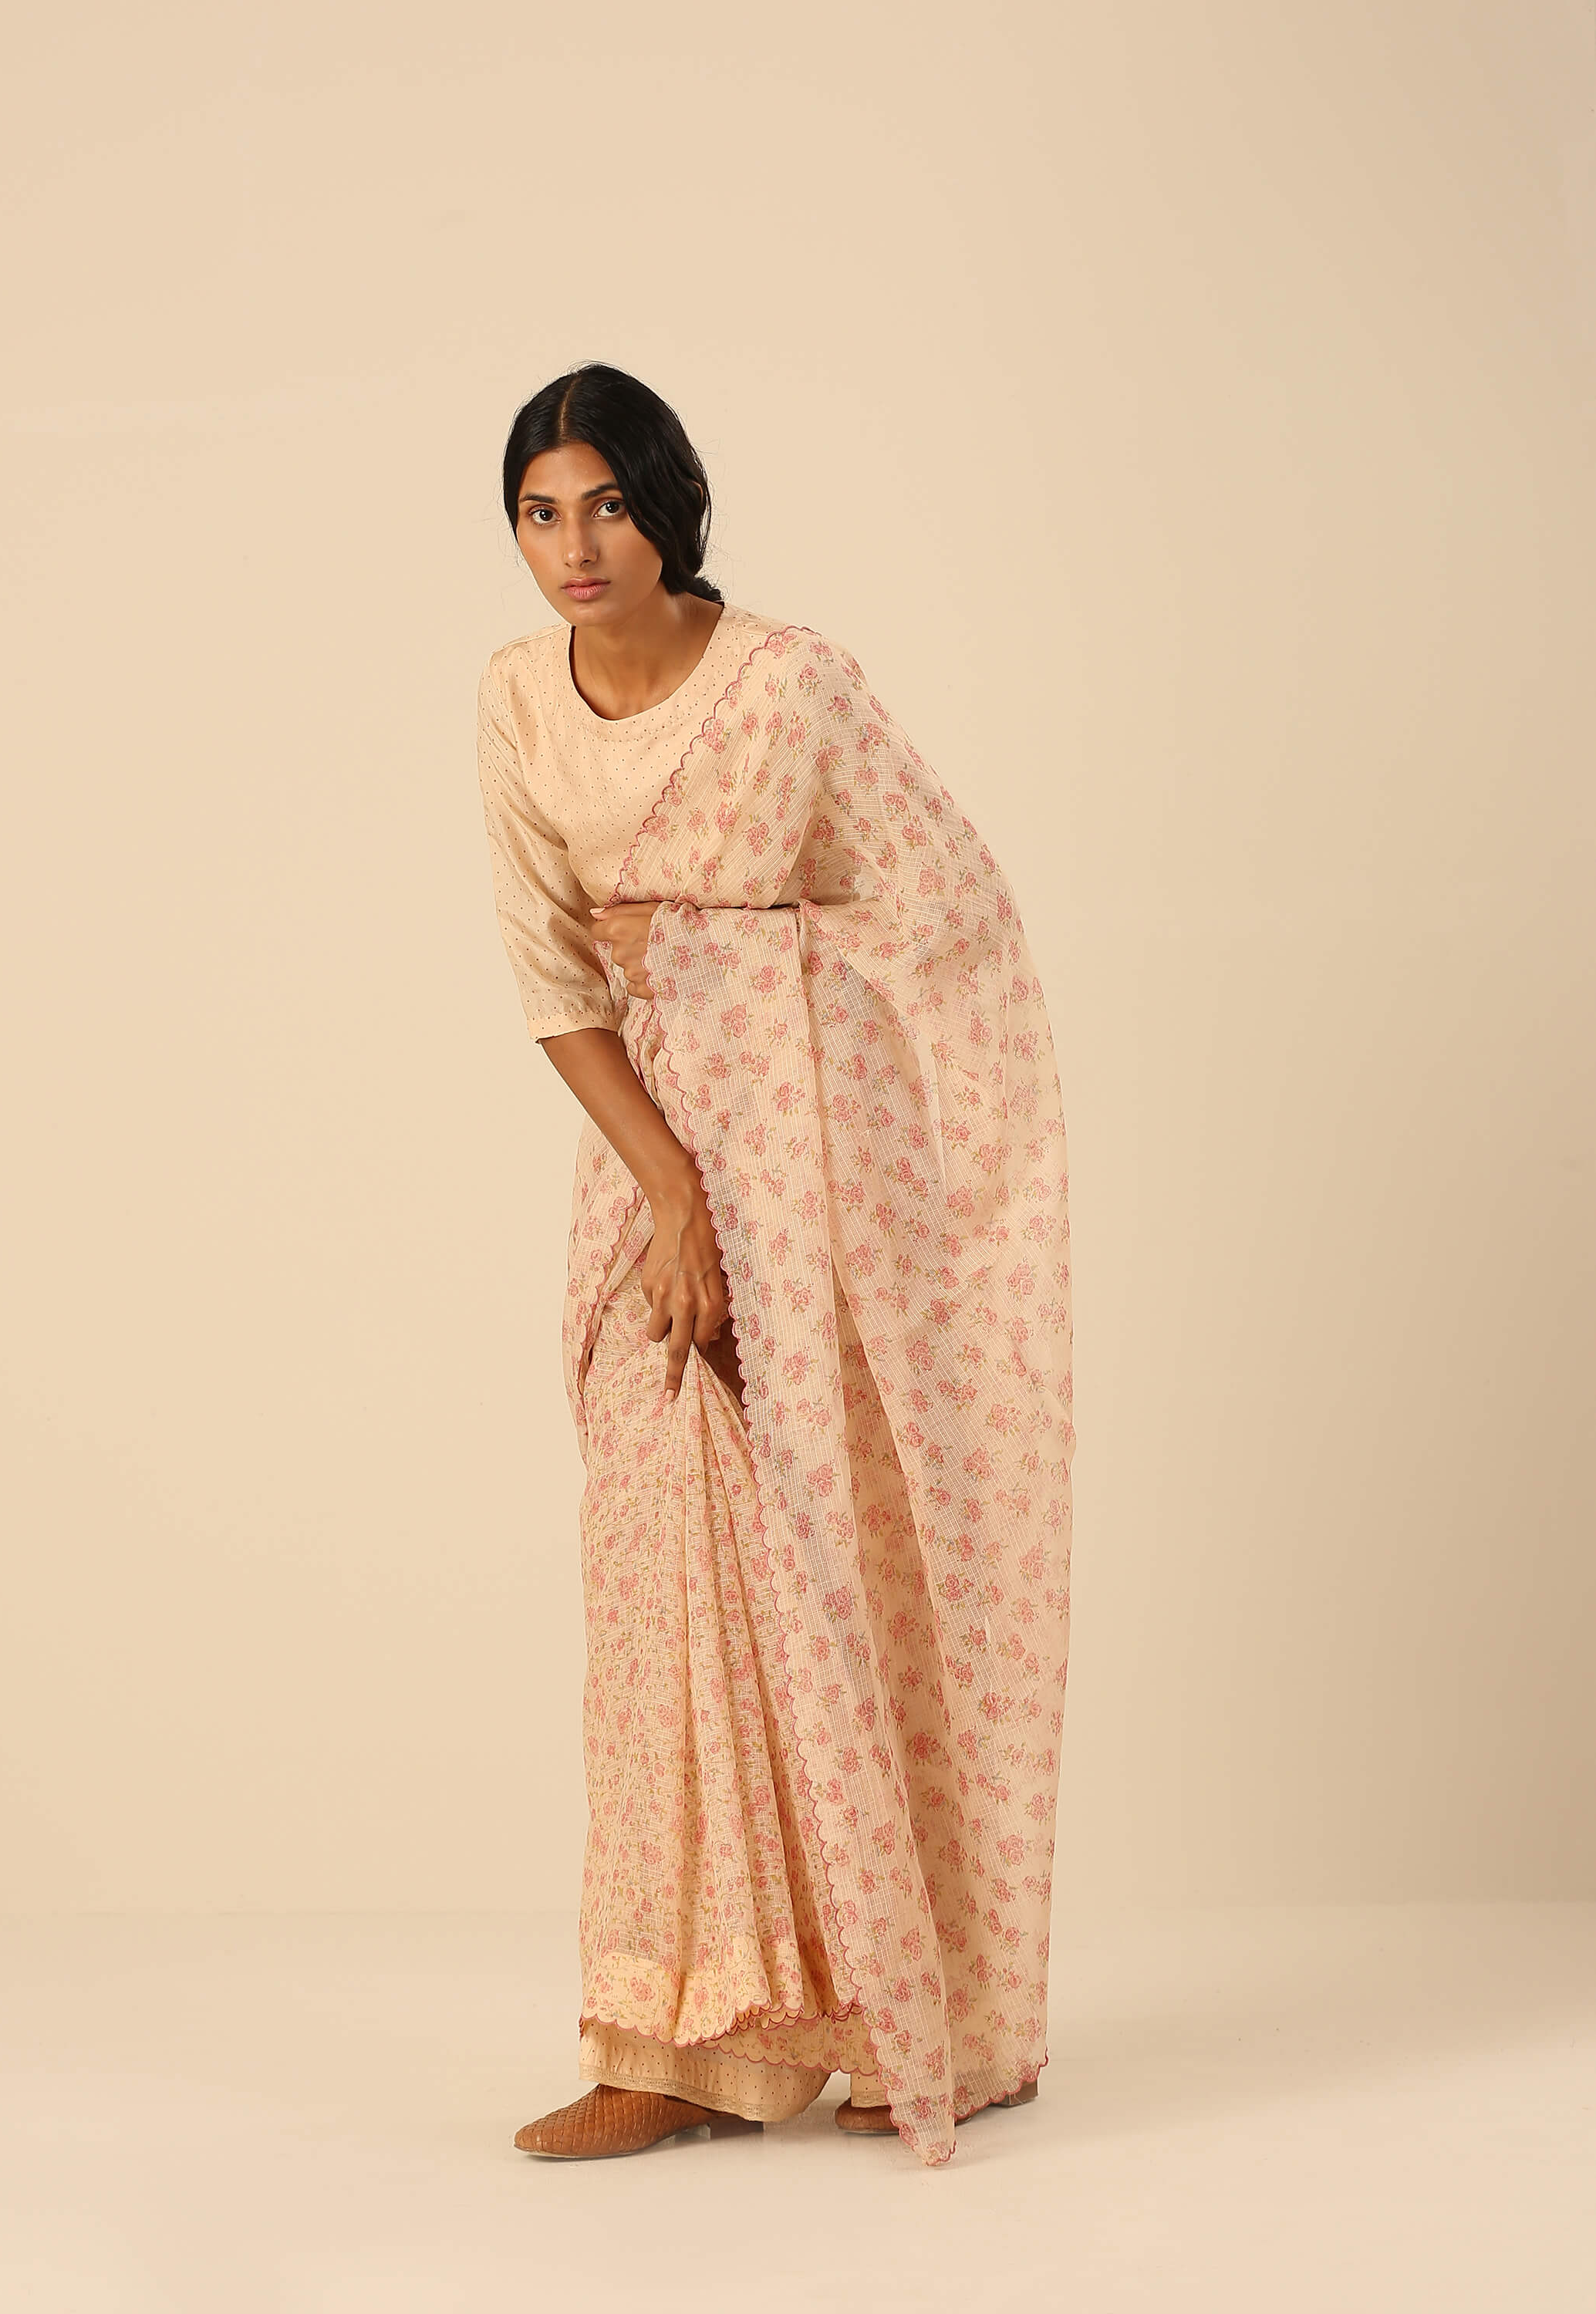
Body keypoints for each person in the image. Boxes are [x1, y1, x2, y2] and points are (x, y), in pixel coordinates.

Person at [474, 363, 1074, 2167]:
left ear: (671, 501)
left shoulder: (792, 690)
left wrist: (734, 941)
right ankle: (668, 2041)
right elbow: (554, 978)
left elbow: (954, 919)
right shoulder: (514, 704)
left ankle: (907, 2003)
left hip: (820, 1202)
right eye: (538, 511)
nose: (576, 546)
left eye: (605, 502)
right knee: (654, 1597)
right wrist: (671, 1198)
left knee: (836, 1579)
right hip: (653, 1187)